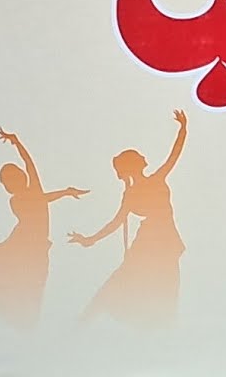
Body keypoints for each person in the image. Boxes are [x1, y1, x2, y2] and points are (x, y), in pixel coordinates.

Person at [67, 109, 188, 327]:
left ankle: (96, 317)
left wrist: (183, 130)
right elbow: (116, 222)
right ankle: (92, 319)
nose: (143, 157)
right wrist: (90, 239)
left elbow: (174, 155)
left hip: (158, 238)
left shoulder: (139, 189)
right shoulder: (147, 185)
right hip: (158, 238)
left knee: (154, 283)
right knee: (155, 282)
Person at [0, 127, 89, 331]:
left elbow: (29, 164)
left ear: (21, 177)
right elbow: (42, 199)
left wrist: (16, 142)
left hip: (35, 247)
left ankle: (24, 321)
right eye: (6, 182)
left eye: (11, 179)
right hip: (21, 244)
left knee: (32, 290)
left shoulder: (34, 189)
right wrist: (65, 192)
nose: (9, 185)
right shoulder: (17, 199)